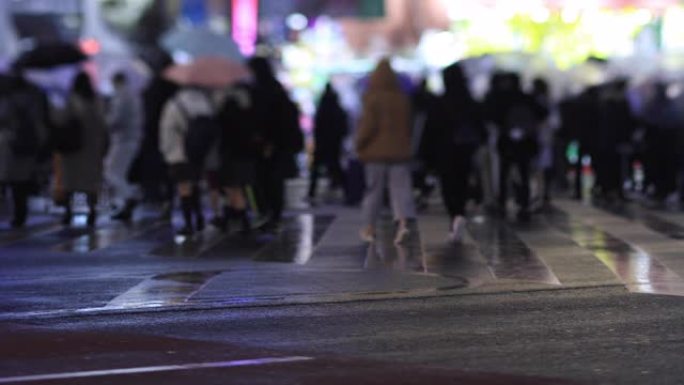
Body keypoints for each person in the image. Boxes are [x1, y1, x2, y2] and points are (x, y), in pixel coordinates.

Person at [421, 63, 485, 242]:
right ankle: (460, 213)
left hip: (444, 150)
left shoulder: (440, 102)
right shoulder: (469, 100)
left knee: (448, 184)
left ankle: (455, 215)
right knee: (462, 182)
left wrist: (426, 153)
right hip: (465, 148)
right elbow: (479, 124)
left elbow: (430, 129)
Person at [356, 58, 416, 244]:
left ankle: (369, 228)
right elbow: (409, 126)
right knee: (401, 189)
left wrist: (359, 144)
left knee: (374, 190)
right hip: (399, 152)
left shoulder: (372, 98)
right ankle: (403, 224)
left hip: (375, 153)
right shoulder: (402, 100)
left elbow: (368, 126)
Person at [249, 57, 303, 232]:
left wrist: (266, 140)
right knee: (275, 182)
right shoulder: (278, 90)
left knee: (264, 181)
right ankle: (275, 215)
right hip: (279, 144)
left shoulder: (259, 91)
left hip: (267, 145)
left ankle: (267, 214)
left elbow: (264, 119)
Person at [484, 72, 547, 221]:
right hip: (524, 142)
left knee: (504, 172)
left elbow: (490, 116)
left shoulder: (499, 98)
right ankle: (524, 202)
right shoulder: (526, 98)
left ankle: (502, 201)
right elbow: (542, 113)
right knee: (523, 172)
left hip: (506, 141)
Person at [159, 86, 216, 236]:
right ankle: (199, 218)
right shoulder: (204, 102)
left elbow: (167, 129)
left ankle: (188, 223)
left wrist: (166, 151)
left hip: (179, 152)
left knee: (184, 186)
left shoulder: (175, 103)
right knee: (195, 184)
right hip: (198, 152)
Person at [58, 72, 108, 227]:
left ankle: (68, 211)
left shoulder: (72, 100)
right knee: (91, 182)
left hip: (73, 148)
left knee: (70, 180)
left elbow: (62, 121)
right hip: (92, 147)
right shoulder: (97, 101)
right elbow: (103, 124)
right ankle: (92, 210)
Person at [0, 74, 48, 228]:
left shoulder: (7, 100)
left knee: (5, 180)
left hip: (9, 144)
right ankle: (20, 215)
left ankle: (7, 212)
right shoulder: (34, 98)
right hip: (28, 144)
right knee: (20, 183)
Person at [216, 83, 261, 233]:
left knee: (232, 188)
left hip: (229, 156)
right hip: (245, 155)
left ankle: (239, 218)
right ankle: (239, 217)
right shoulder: (248, 114)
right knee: (240, 187)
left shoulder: (223, 115)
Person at [105, 72, 143, 221]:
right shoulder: (132, 95)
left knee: (112, 172)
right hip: (131, 138)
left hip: (124, 140)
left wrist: (105, 122)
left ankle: (129, 197)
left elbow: (115, 119)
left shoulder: (122, 96)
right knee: (117, 172)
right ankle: (126, 200)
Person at [308, 82, 348, 202]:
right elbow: (343, 128)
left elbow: (317, 128)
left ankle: (311, 192)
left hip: (322, 143)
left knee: (317, 169)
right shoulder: (338, 109)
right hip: (334, 144)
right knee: (335, 167)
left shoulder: (322, 109)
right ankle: (347, 191)